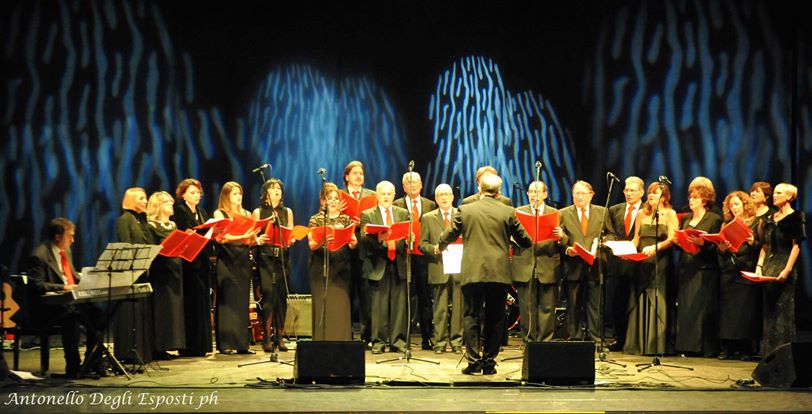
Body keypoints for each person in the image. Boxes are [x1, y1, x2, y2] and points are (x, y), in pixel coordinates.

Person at [438, 174, 533, 375]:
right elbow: (526, 240)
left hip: (473, 271)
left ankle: (473, 362)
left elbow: (449, 235)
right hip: (498, 272)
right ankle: (489, 363)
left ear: (480, 189)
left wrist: (441, 244)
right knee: (495, 318)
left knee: (471, 315)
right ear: (499, 192)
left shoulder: (466, 209)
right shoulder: (507, 211)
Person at [26, 218, 105, 378]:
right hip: (48, 309)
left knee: (98, 315)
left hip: (69, 304)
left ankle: (91, 363)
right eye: (70, 236)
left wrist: (88, 279)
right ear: (57, 237)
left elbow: (72, 276)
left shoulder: (65, 252)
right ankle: (73, 367)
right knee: (71, 318)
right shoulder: (39, 256)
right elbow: (37, 285)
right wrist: (63, 287)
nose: (73, 240)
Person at [624, 182, 678, 355]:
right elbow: (636, 238)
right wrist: (627, 250)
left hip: (660, 262)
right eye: (650, 193)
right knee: (640, 297)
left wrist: (657, 247)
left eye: (656, 193)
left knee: (657, 298)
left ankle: (657, 345)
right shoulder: (641, 213)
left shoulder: (670, 214)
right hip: (642, 262)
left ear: (664, 196)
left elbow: (672, 239)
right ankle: (639, 343)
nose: (652, 196)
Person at [559, 180, 617, 341]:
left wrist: (603, 242)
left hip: (595, 264)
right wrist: (567, 248)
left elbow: (612, 234)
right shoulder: (563, 213)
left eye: (583, 193)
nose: (579, 197)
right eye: (576, 193)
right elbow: (560, 237)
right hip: (573, 264)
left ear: (591, 195)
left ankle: (595, 337)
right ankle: (575, 337)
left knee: (595, 304)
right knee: (573, 304)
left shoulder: (602, 212)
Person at [359, 181, 410, 354]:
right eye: (383, 194)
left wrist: (407, 239)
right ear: (377, 195)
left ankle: (398, 342)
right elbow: (363, 239)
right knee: (378, 307)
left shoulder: (403, 213)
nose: (386, 197)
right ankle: (378, 342)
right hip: (378, 264)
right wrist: (380, 239)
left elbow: (406, 234)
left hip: (398, 263)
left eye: (389, 194)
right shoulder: (368, 214)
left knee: (399, 306)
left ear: (394, 195)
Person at [510, 181, 564, 342]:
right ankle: (529, 341)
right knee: (527, 307)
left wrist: (561, 236)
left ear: (545, 194)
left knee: (547, 306)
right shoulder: (518, 212)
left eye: (537, 192)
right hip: (525, 264)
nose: (534, 195)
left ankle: (545, 342)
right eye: (531, 192)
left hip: (547, 263)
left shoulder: (555, 213)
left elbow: (565, 240)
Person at [755, 183, 805, 356]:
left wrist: (787, 270)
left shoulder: (796, 217)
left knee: (782, 311)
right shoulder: (770, 218)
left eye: (779, 192)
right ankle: (768, 354)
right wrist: (759, 266)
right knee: (769, 312)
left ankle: (784, 355)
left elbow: (796, 246)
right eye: (774, 192)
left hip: (784, 266)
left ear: (789, 197)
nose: (774, 195)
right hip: (768, 267)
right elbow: (765, 246)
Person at [214, 181, 261, 355]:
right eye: (234, 193)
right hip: (227, 259)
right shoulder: (220, 213)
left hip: (242, 259)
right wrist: (243, 235)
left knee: (241, 302)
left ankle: (242, 344)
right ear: (226, 196)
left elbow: (249, 241)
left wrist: (254, 238)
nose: (238, 196)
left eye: (240, 193)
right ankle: (226, 343)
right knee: (228, 301)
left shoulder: (247, 213)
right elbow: (221, 238)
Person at [676, 185, 723, 357]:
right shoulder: (687, 218)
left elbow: (717, 245)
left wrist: (703, 244)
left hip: (705, 268)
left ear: (704, 200)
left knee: (702, 308)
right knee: (686, 308)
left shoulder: (714, 219)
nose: (691, 200)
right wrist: (679, 241)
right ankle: (686, 346)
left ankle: (704, 348)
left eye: (695, 198)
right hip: (687, 266)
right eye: (690, 197)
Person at [307, 182, 358, 341]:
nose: (334, 201)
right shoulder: (316, 219)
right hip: (321, 265)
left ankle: (341, 341)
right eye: (330, 198)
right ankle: (322, 341)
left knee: (340, 306)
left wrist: (352, 242)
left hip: (341, 267)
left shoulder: (346, 219)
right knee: (323, 305)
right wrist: (323, 240)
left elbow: (353, 242)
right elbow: (312, 245)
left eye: (336, 198)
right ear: (323, 201)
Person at [393, 171, 437, 350]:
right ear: (404, 187)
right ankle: (403, 339)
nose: (412, 185)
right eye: (408, 183)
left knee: (425, 299)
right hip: (404, 257)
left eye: (415, 182)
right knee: (403, 299)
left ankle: (427, 338)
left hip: (424, 258)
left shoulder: (430, 204)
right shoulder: (397, 205)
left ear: (421, 185)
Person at [716, 191, 761, 360]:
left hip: (746, 269)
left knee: (745, 311)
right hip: (729, 270)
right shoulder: (726, 224)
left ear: (745, 204)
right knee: (728, 312)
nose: (733, 208)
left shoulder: (756, 222)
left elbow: (762, 247)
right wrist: (721, 249)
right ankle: (728, 347)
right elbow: (721, 250)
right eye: (731, 205)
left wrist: (753, 242)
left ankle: (745, 349)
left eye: (736, 204)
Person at [172, 178, 214, 357]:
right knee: (191, 302)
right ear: (183, 195)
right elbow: (179, 233)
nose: (196, 196)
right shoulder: (179, 211)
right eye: (192, 193)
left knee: (203, 302)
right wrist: (190, 233)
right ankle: (190, 346)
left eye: (198, 193)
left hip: (202, 259)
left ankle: (202, 345)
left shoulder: (202, 212)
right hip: (188, 262)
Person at [252, 178, 295, 352]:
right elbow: (252, 236)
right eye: (272, 188)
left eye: (279, 188)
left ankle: (280, 336)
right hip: (265, 258)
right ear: (265, 193)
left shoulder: (287, 212)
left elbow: (291, 233)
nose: (277, 191)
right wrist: (259, 239)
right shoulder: (258, 212)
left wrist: (291, 239)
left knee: (281, 298)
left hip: (282, 258)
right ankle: (267, 338)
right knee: (269, 296)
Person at [419, 184, 463, 353]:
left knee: (458, 307)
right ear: (436, 199)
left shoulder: (461, 215)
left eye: (447, 194)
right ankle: (440, 342)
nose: (444, 197)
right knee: (440, 307)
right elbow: (422, 244)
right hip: (438, 266)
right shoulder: (428, 218)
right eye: (440, 195)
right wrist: (434, 249)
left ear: (452, 197)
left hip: (458, 267)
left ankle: (456, 342)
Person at [113, 187, 154, 365]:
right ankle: (128, 352)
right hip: (131, 272)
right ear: (131, 200)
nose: (145, 201)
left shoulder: (142, 220)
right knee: (131, 313)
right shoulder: (125, 220)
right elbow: (126, 245)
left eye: (145, 198)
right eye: (141, 198)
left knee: (142, 312)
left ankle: (143, 351)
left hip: (143, 271)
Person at [145, 191, 185, 360]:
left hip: (175, 269)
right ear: (158, 206)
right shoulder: (151, 226)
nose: (171, 205)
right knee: (163, 309)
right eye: (167, 202)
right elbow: (151, 249)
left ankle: (172, 345)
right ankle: (160, 348)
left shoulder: (173, 225)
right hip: (161, 271)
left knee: (174, 310)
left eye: (170, 202)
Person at [606, 176, 645, 350]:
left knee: (636, 302)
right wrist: (610, 242)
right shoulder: (615, 210)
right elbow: (610, 232)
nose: (629, 193)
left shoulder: (648, 210)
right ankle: (619, 338)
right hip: (618, 263)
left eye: (633, 190)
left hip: (640, 264)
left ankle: (636, 339)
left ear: (641, 192)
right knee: (618, 302)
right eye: (626, 190)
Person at [342, 160, 376, 345]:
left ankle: (367, 335)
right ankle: (345, 334)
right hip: (345, 249)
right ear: (347, 176)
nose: (358, 176)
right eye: (354, 173)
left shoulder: (372, 195)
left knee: (366, 294)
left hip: (365, 249)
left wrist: (362, 222)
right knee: (346, 293)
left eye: (361, 173)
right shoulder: (339, 196)